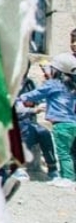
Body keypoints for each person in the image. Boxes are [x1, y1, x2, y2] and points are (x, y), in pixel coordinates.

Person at [19, 52, 76, 187]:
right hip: (73, 122)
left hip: (61, 124)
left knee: (63, 152)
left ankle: (68, 178)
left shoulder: (53, 84)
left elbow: (37, 94)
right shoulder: (71, 86)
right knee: (70, 151)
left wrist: (23, 98)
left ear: (56, 70)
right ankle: (66, 176)